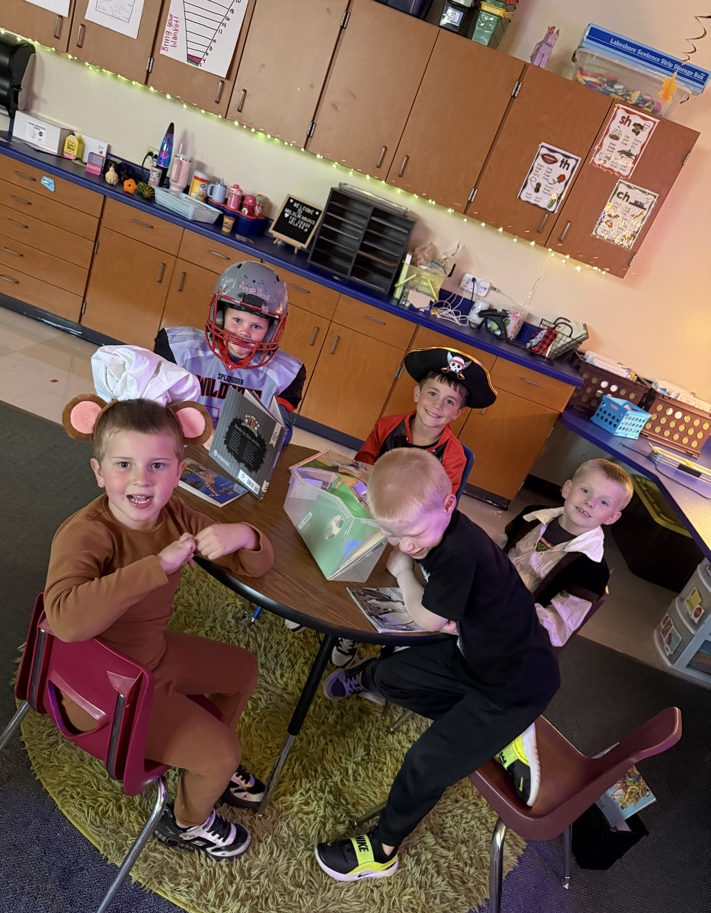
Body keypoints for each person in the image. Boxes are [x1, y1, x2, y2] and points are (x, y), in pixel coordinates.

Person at [44, 381, 274, 862]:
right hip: (100, 690)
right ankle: (188, 823)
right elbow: (64, 620)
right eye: (123, 465)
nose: (141, 481)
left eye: (157, 466)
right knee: (223, 753)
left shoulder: (174, 514)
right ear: (98, 472)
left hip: (148, 658)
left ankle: (200, 765)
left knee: (243, 670)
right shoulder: (87, 533)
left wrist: (244, 535)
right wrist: (157, 567)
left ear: (179, 473)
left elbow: (254, 564)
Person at [314, 448, 560, 882]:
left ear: (449, 504)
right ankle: (486, 734)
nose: (406, 545)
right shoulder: (437, 531)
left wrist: (403, 572)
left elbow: (427, 618)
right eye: (393, 535)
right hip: (475, 656)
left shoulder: (460, 550)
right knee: (392, 675)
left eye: (412, 535)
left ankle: (382, 851)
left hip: (511, 687)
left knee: (425, 762)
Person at [320, 346, 496, 670]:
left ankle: (350, 632)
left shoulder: (454, 457)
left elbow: (438, 512)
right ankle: (317, 601)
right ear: (417, 393)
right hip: (371, 508)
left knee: (385, 567)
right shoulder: (387, 426)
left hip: (410, 530)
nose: (437, 405)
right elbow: (361, 468)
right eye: (432, 393)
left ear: (458, 412)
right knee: (329, 532)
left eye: (450, 402)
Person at [155, 260, 305, 443]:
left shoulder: (284, 374)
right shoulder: (181, 349)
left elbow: (281, 435)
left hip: (237, 452)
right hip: (180, 441)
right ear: (220, 317)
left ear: (270, 331)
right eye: (237, 320)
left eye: (256, 326)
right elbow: (153, 402)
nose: (244, 332)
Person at [502, 458, 633, 649]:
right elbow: (496, 549)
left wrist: (502, 608)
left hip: (512, 632)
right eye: (585, 490)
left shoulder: (592, 571)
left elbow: (556, 628)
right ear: (567, 489)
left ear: (612, 517)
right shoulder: (531, 516)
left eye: (604, 502)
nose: (590, 502)